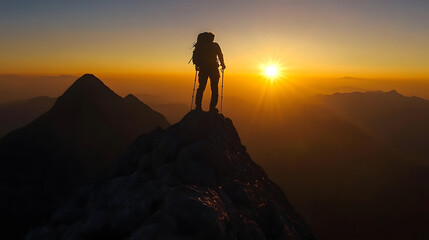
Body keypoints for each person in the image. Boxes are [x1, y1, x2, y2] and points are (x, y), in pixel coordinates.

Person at [192, 32, 226, 112]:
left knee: (201, 88)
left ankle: (198, 107)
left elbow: (196, 56)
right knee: (214, 89)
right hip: (213, 69)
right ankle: (212, 108)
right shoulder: (215, 46)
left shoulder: (201, 46)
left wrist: (197, 65)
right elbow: (220, 55)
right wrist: (222, 64)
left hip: (203, 69)